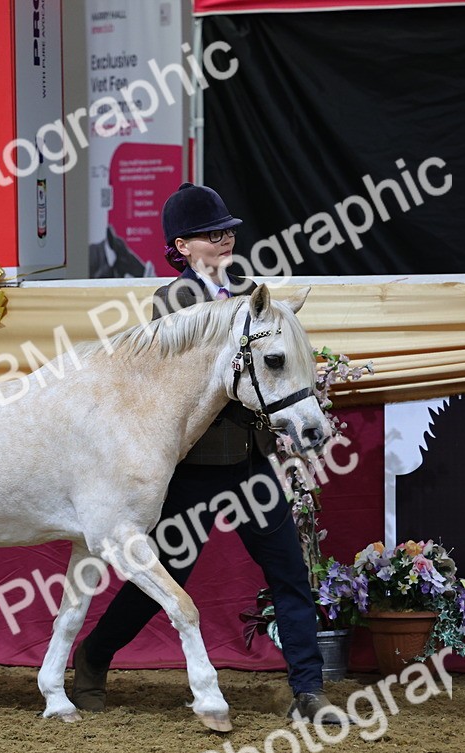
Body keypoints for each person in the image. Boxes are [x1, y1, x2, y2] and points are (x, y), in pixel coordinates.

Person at [71, 182, 338, 724]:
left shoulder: (250, 294)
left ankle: (308, 690)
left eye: (226, 232)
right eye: (211, 234)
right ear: (182, 247)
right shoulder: (171, 304)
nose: (224, 240)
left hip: (249, 463)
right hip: (191, 469)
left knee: (289, 572)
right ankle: (94, 657)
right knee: (161, 582)